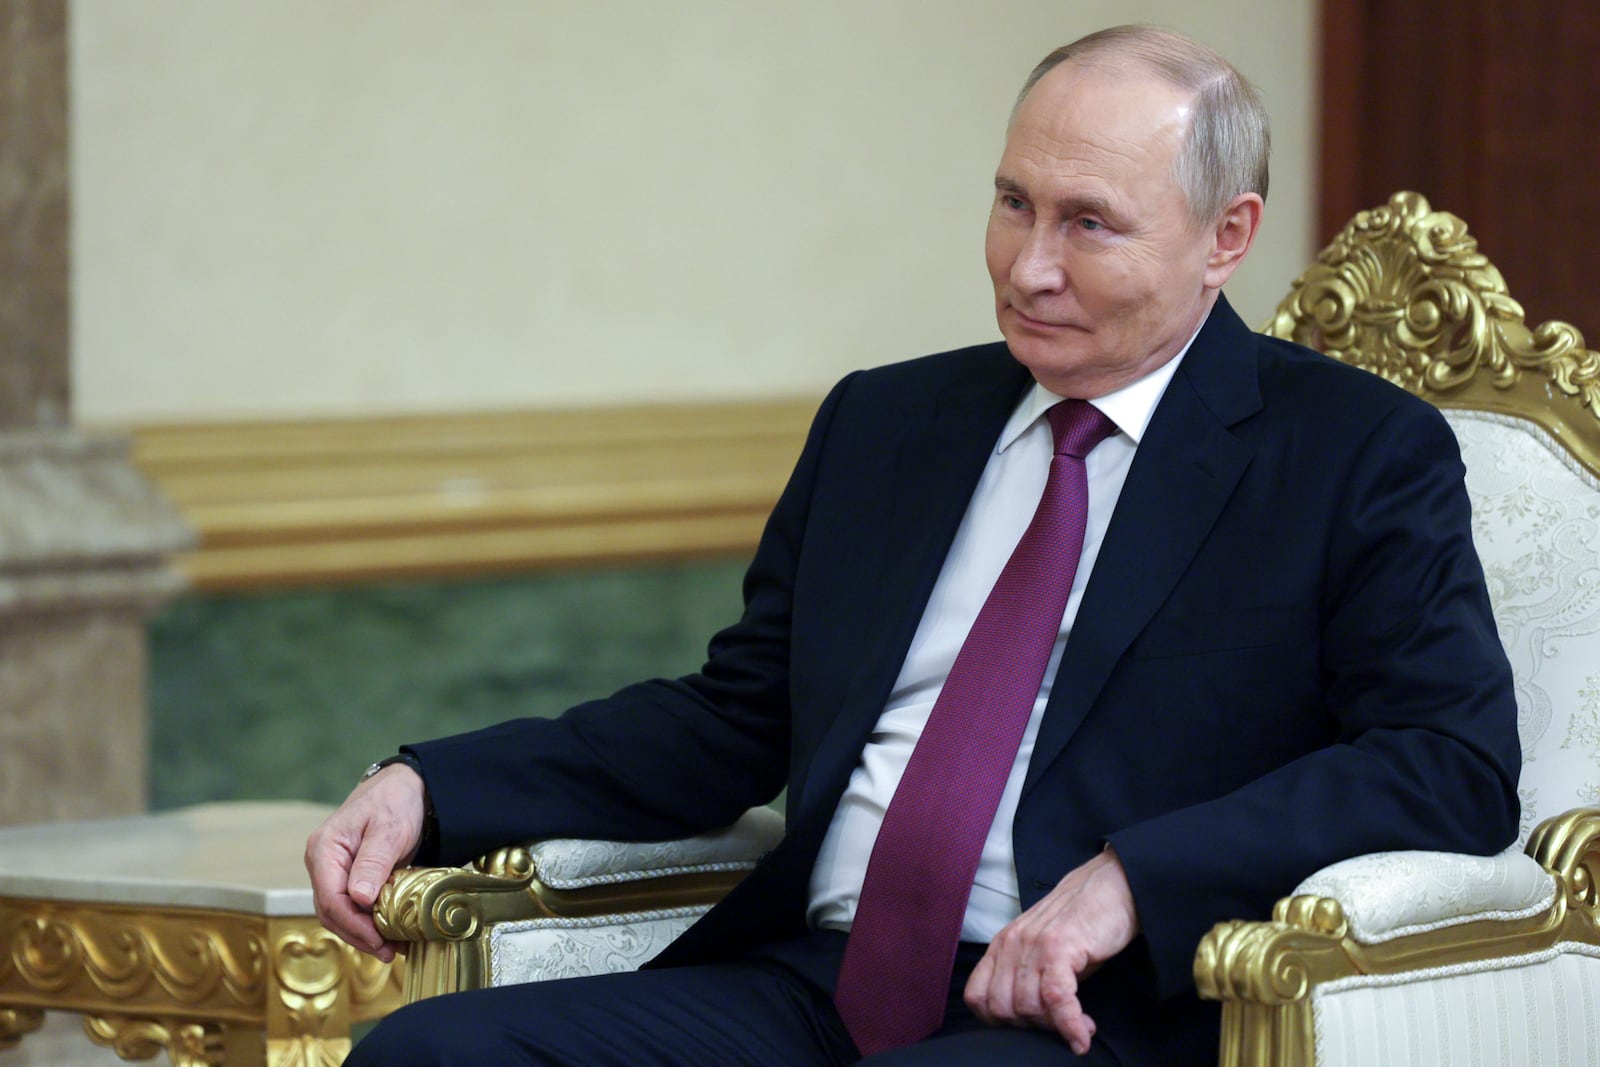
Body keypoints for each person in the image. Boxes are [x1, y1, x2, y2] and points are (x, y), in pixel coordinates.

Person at [308, 25, 1520, 1066]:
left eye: (1088, 223)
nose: (1027, 266)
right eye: (1012, 204)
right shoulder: (888, 421)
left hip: (1087, 1013)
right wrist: (436, 781)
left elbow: (1445, 757)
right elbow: (735, 715)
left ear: (1224, 235)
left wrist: (1133, 878)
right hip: (814, 982)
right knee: (430, 1049)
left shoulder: (1350, 451)